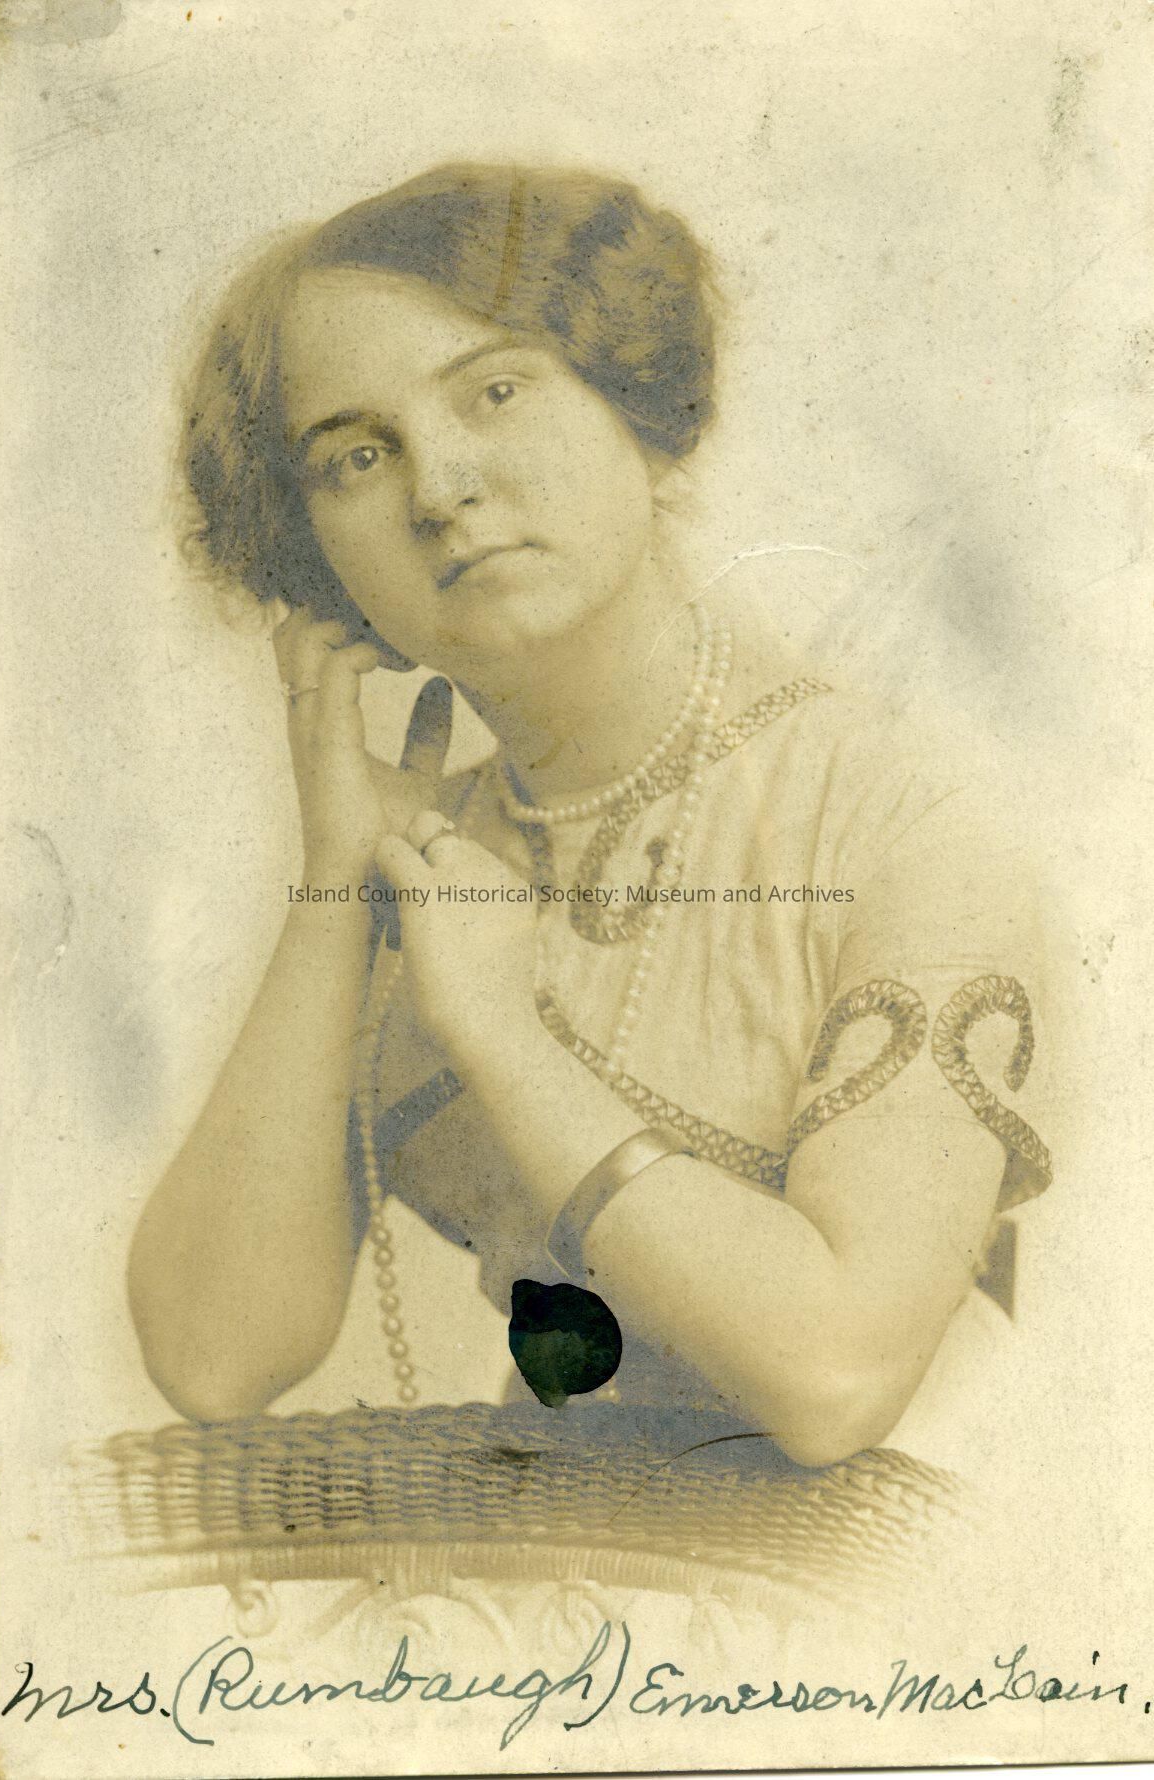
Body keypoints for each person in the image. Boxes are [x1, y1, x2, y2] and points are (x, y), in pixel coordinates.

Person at [127, 163, 1052, 1478]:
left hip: (894, 1579)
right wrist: (334, 883)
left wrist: (501, 1033)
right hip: (554, 1573)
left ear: (640, 409)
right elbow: (213, 1359)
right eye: (355, 456)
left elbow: (834, 1380)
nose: (437, 488)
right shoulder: (418, 862)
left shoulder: (900, 820)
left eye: (494, 392)